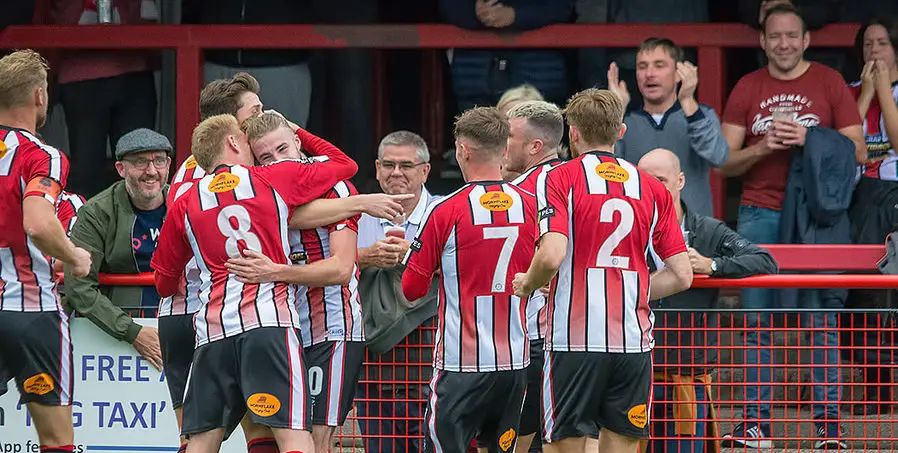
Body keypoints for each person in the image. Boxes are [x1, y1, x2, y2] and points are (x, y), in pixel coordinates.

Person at [151, 114, 358, 453]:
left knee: (201, 441)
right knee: (294, 435)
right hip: (269, 323)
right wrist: (296, 131)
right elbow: (344, 165)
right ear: (234, 143)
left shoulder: (184, 201)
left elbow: (164, 282)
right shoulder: (272, 178)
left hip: (213, 330)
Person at [512, 88, 693, 453]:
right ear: (621, 132)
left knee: (565, 445)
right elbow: (682, 275)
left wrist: (527, 283)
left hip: (573, 341)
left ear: (573, 133)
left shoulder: (559, 178)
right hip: (632, 342)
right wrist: (631, 291)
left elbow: (551, 255)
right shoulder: (651, 187)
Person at [718, 4, 864, 448]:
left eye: (791, 36)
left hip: (817, 217)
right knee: (756, 322)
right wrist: (763, 148)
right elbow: (725, 161)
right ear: (762, 41)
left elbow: (858, 151)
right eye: (774, 36)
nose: (783, 43)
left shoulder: (829, 82)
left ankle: (828, 428)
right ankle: (755, 425)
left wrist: (810, 138)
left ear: (805, 41)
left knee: (821, 320)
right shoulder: (748, 85)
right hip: (760, 212)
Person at [226, 112, 366, 453]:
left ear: (298, 143)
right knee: (281, 435)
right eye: (266, 157)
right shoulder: (259, 191)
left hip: (332, 328)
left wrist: (274, 272)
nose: (277, 162)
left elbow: (341, 269)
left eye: (283, 149)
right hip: (283, 330)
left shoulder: (335, 186)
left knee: (317, 442)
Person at [402, 106, 536, 453]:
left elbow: (411, 290)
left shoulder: (446, 209)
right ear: (505, 150)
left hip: (460, 364)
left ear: (461, 150)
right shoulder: (532, 206)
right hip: (515, 361)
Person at [637, 148, 778, 453]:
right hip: (634, 371)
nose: (652, 187)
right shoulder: (627, 228)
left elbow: (764, 260)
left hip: (688, 373)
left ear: (681, 180)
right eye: (644, 180)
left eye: (660, 179)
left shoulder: (706, 230)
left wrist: (712, 266)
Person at [0, 49, 92, 451]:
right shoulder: (41, 155)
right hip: (30, 312)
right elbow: (37, 223)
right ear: (40, 97)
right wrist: (74, 256)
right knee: (56, 439)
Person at [355, 130, 441, 453]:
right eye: (388, 165)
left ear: (425, 171)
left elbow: (467, 267)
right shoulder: (356, 216)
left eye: (406, 165)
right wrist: (367, 257)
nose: (396, 173)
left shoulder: (443, 212)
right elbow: (332, 265)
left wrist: (415, 254)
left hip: (430, 359)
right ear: (376, 169)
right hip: (372, 362)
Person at [65, 129, 172, 374]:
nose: (152, 171)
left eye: (159, 160)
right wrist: (132, 332)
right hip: (116, 330)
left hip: (179, 323)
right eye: (140, 162)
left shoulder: (187, 203)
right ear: (121, 169)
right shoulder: (97, 212)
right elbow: (78, 286)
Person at [501, 100, 564, 453]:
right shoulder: (578, 183)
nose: (501, 143)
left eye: (508, 135)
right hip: (583, 339)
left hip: (528, 339)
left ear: (535, 146)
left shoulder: (519, 192)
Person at [609, 37, 729, 218]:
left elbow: (719, 157)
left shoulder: (701, 115)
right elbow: (607, 171)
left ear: (678, 72)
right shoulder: (627, 122)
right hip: (639, 231)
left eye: (659, 65)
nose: (649, 74)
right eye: (642, 66)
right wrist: (615, 115)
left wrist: (688, 101)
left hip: (692, 233)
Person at [51, 0, 158, 197]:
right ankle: (86, 224)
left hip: (132, 69)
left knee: (141, 164)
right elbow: (43, 17)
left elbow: (150, 17)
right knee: (86, 168)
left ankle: (138, 226)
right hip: (80, 73)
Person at [845, 16, 898, 416]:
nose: (874, 51)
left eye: (881, 43)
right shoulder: (847, 92)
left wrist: (885, 93)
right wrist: (865, 94)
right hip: (861, 196)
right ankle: (876, 385)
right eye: (867, 44)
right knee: (866, 286)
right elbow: (845, 148)